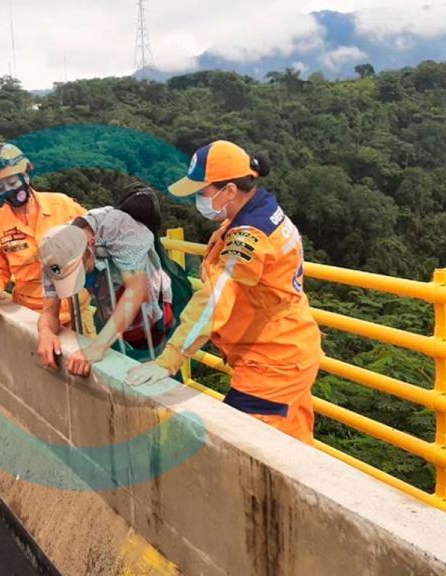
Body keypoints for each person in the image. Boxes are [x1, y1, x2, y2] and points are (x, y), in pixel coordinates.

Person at [128, 140, 323, 445]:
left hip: (270, 364)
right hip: (290, 351)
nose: (198, 199)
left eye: (202, 191)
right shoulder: (262, 211)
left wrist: (170, 359)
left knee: (240, 452)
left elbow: (214, 300)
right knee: (297, 452)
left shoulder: (249, 236)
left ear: (230, 190)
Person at [37, 203, 173, 377]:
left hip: (152, 313)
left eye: (79, 272)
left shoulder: (119, 228)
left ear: (91, 245)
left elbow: (137, 289)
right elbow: (50, 310)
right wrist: (45, 332)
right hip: (108, 309)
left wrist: (97, 347)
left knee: (158, 369)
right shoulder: (54, 253)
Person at [0, 142, 92, 330]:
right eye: (0, 187)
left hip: (75, 311)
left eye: (12, 183)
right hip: (32, 315)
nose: (9, 190)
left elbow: (94, 236)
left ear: (26, 175)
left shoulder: (63, 206)